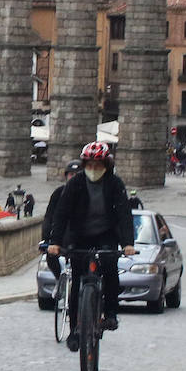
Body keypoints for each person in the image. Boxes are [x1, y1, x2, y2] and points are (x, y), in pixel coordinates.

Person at [45, 141, 137, 351]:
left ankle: (111, 314)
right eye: (90, 165)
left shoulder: (115, 184)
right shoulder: (75, 183)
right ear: (85, 164)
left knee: (110, 268)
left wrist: (128, 243)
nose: (93, 170)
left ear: (106, 165)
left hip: (106, 234)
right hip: (80, 235)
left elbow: (124, 214)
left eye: (98, 165)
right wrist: (56, 242)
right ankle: (75, 329)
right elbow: (61, 213)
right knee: (77, 278)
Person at [40, 159, 82, 282]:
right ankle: (60, 281)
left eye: (77, 175)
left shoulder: (87, 193)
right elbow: (49, 217)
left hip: (82, 238)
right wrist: (46, 239)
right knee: (51, 257)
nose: (73, 178)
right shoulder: (58, 193)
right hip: (63, 237)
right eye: (71, 175)